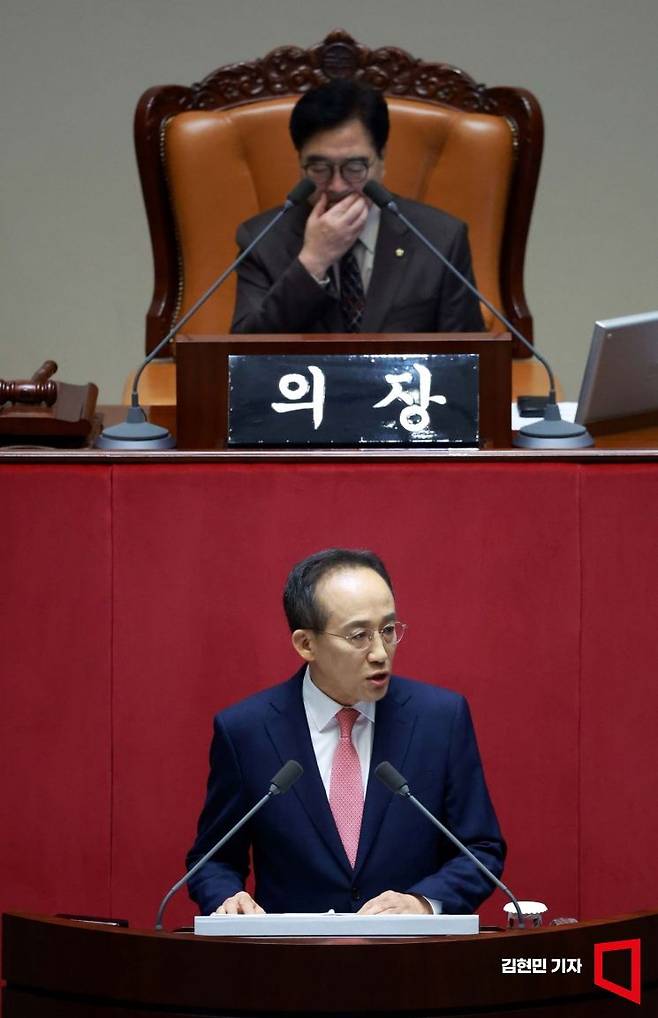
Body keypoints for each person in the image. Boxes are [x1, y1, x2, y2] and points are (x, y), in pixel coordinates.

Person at [186, 548, 505, 915]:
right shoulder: (247, 731)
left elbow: (481, 850)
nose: (381, 653)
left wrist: (424, 902)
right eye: (359, 636)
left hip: (414, 958)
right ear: (306, 644)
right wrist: (228, 900)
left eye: (388, 630)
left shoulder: (440, 719)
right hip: (291, 962)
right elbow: (212, 860)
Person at [230, 80, 485, 335]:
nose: (337, 186)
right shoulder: (261, 241)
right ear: (300, 162)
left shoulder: (440, 239)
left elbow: (470, 361)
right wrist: (313, 262)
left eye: (354, 168)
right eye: (319, 169)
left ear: (382, 159)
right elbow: (242, 354)